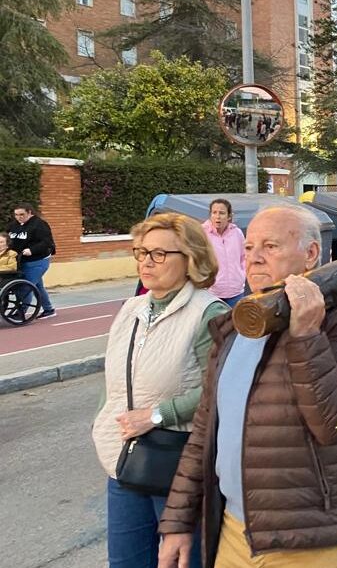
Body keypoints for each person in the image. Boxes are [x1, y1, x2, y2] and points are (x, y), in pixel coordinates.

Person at [158, 205, 337, 568]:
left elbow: (335, 424)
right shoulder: (237, 323)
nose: (255, 258)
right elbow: (205, 433)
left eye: (271, 246)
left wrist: (307, 333)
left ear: (311, 254)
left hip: (315, 542)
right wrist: (178, 521)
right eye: (249, 248)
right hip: (235, 534)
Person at [93, 213, 229, 568]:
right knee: (125, 562)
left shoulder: (208, 313)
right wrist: (105, 422)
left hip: (176, 465)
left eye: (158, 254)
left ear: (191, 260)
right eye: (140, 252)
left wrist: (157, 415)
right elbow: (115, 382)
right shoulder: (132, 308)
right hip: (124, 460)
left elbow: (219, 391)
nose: (146, 262)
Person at [8, 203, 56, 319]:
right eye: (16, 215)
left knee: (26, 286)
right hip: (21, 261)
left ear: (29, 212)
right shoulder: (14, 225)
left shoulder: (40, 225)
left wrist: (32, 250)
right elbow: (7, 238)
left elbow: (47, 242)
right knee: (37, 286)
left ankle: (21, 312)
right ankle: (49, 309)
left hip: (38, 260)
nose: (19, 217)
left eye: (22, 214)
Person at [201, 199, 246, 306]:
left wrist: (241, 276)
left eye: (222, 213)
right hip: (211, 293)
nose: (218, 216)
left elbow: (245, 257)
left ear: (229, 216)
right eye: (214, 212)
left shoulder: (237, 233)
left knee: (236, 322)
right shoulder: (202, 233)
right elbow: (197, 259)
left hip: (236, 292)